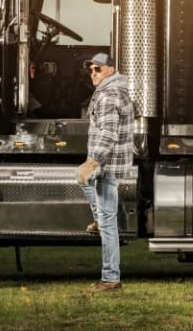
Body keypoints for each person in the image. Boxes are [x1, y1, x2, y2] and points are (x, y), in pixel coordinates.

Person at [76, 52, 134, 292]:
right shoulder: (113, 91)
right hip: (111, 162)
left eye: (98, 69)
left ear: (110, 69)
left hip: (107, 164)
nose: (93, 73)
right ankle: (100, 220)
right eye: (91, 70)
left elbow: (108, 134)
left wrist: (93, 162)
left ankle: (110, 279)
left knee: (109, 222)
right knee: (81, 180)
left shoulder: (109, 96)